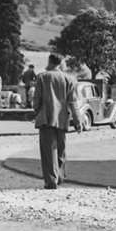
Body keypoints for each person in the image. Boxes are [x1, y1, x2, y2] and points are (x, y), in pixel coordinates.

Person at [33, 54, 75, 189]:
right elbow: (73, 101)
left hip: (46, 117)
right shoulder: (69, 78)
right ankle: (61, 176)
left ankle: (51, 180)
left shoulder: (42, 77)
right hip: (62, 118)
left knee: (48, 151)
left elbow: (36, 100)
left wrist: (36, 111)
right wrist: (78, 120)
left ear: (50, 61)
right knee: (61, 149)